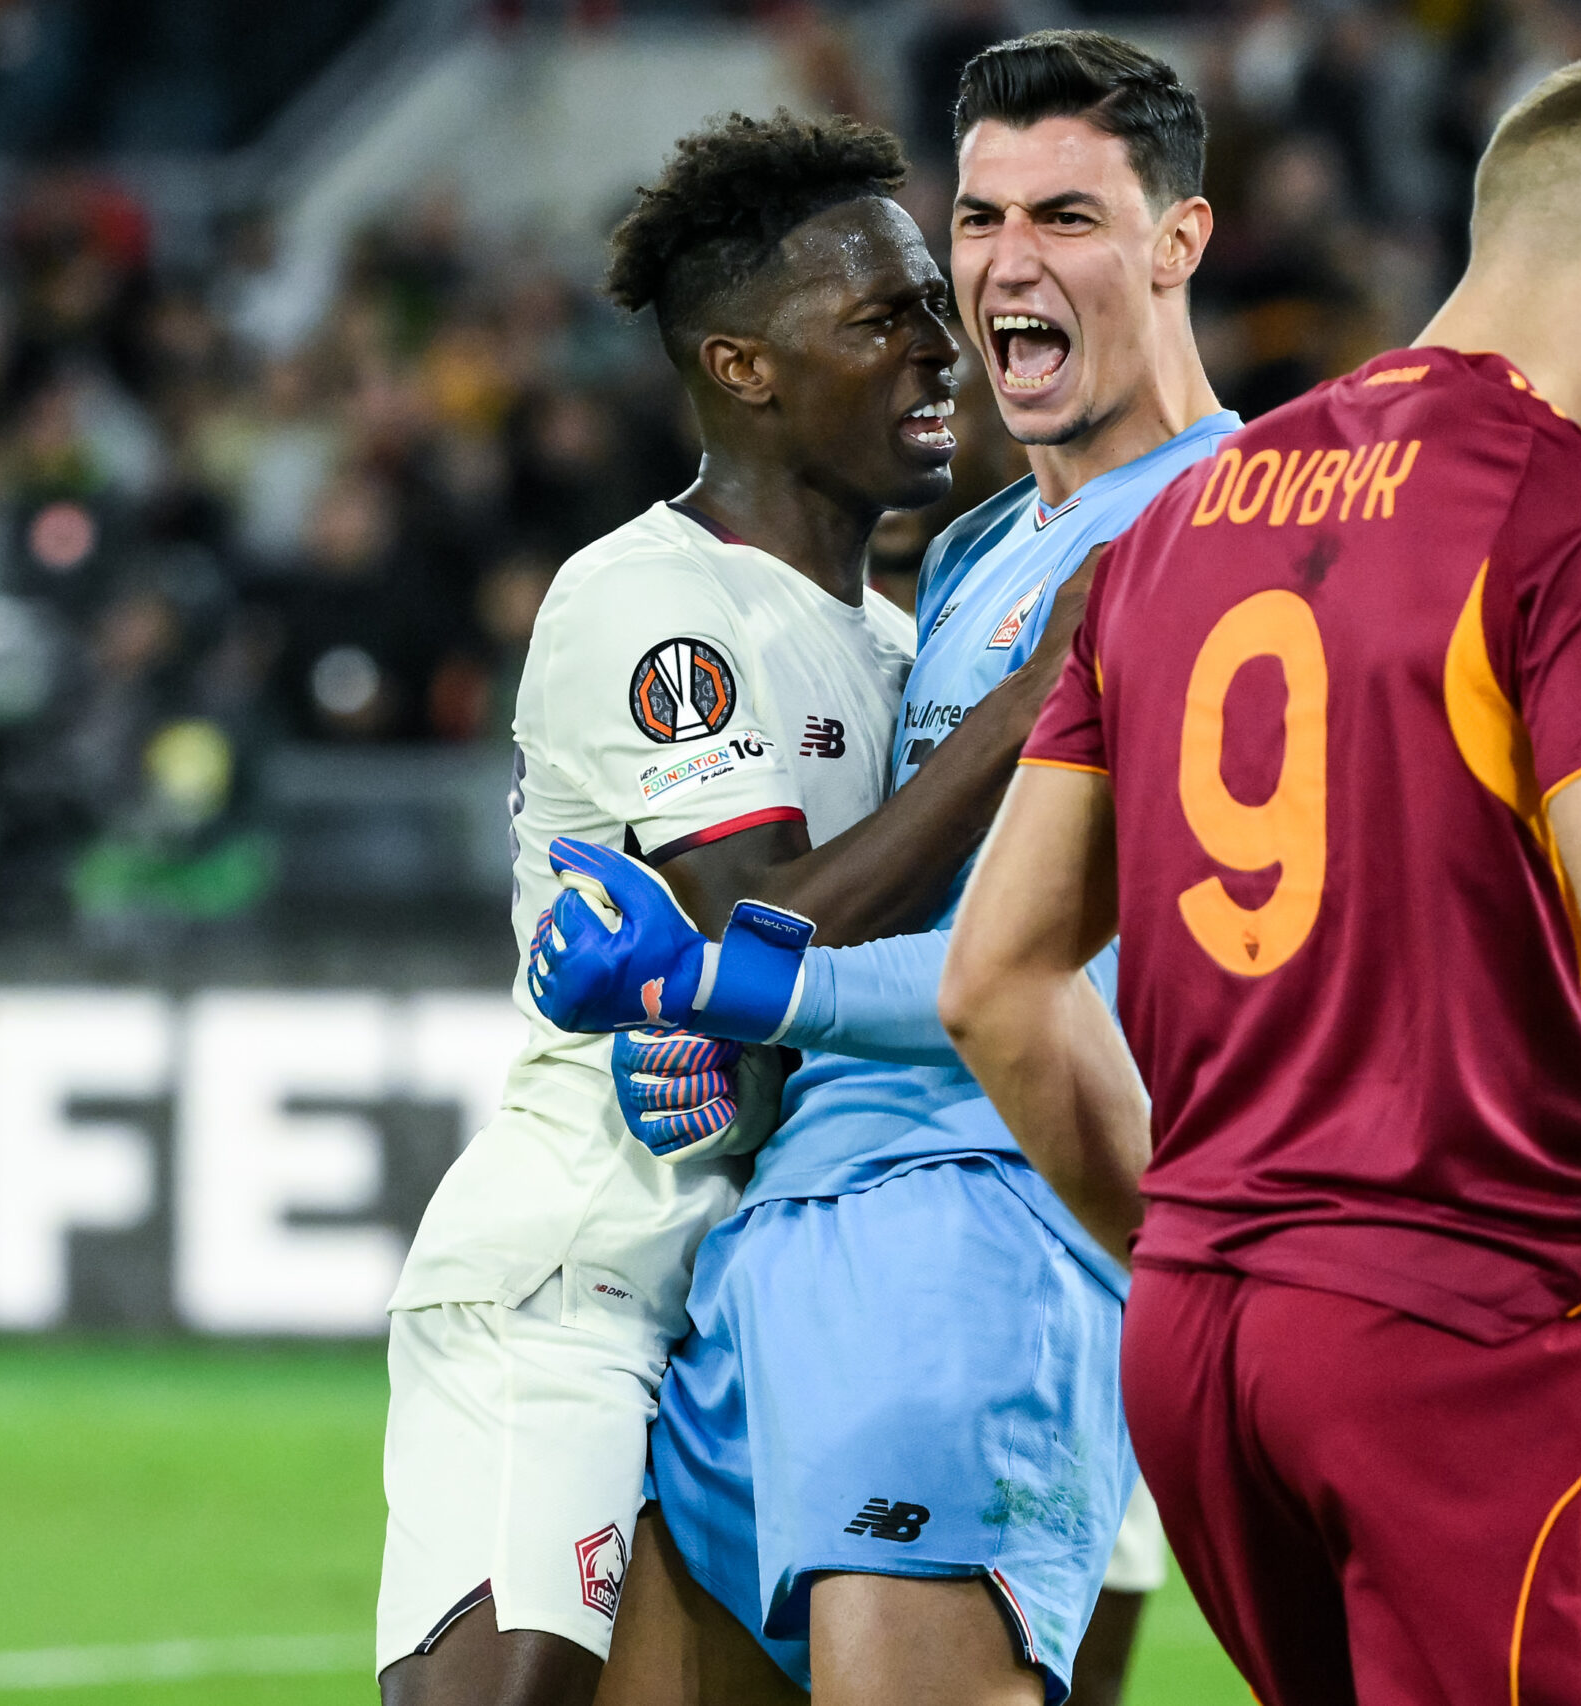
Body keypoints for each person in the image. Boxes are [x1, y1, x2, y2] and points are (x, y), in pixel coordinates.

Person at [938, 61, 1581, 1706]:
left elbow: (991, 982)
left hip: (1203, 1352)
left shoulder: (1174, 525)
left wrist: (1196, 1245)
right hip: (1464, 1330)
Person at [526, 32, 1237, 1706]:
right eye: (980, 218)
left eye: (1068, 214)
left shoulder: (1236, 531)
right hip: (771, 1248)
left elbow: (1079, 966)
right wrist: (734, 1053)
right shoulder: (983, 550)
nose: (1004, 266)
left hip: (974, 1238)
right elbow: (923, 894)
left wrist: (733, 975)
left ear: (1178, 243)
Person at [377, 111, 1083, 1706]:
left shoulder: (903, 650)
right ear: (744, 366)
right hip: (581, 1281)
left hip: (766, 1315)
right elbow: (746, 931)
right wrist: (1035, 703)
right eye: (881, 314)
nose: (939, 346)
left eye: (932, 305)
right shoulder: (652, 599)